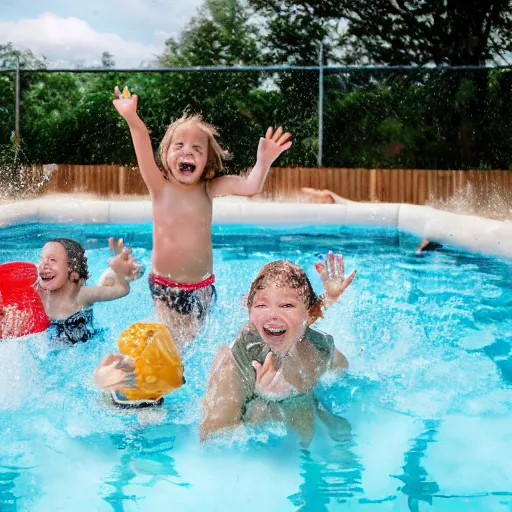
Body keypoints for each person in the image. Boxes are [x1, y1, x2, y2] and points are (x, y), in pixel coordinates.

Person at [112, 86, 292, 347]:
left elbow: (250, 186)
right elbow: (141, 139)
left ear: (207, 161)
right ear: (165, 154)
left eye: (197, 148)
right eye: (179, 146)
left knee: (195, 345)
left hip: (202, 288)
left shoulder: (208, 189)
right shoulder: (158, 186)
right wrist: (131, 117)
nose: (188, 151)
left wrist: (263, 161)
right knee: (173, 346)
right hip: (165, 288)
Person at [199, 252, 356, 443]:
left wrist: (328, 298)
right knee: (273, 410)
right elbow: (211, 438)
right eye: (262, 305)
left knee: (340, 429)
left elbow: (343, 373)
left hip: (302, 428)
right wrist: (265, 400)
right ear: (248, 310)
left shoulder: (319, 347)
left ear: (309, 315)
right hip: (260, 443)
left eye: (287, 305)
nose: (272, 315)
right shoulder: (234, 365)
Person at [36, 238, 140, 344]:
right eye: (42, 258)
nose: (42, 265)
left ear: (71, 267)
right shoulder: (38, 294)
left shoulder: (82, 295)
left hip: (87, 345)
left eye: (52, 260)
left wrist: (121, 273)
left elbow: (122, 290)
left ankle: (119, 271)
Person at [301, 187, 444, 253]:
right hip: (374, 217)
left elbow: (309, 192)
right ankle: (422, 247)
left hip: (373, 216)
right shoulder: (334, 204)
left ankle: (422, 247)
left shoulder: (331, 200)